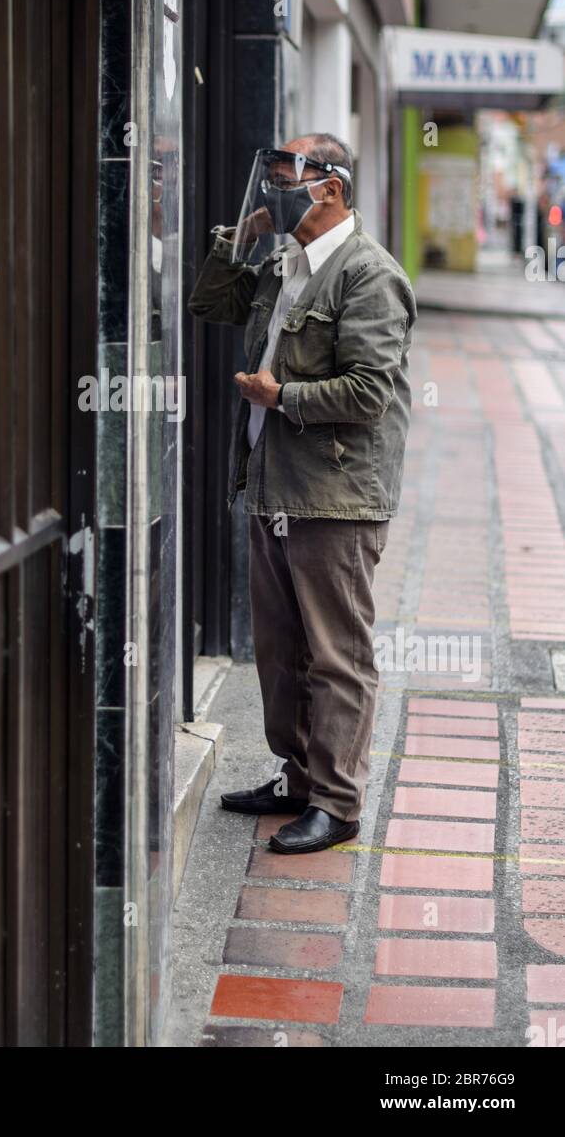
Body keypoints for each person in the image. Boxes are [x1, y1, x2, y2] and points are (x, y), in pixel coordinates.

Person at [188, 134, 417, 853]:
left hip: (334, 498)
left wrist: (280, 395)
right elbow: (208, 305)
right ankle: (297, 778)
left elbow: (369, 391)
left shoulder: (367, 275)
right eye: (276, 169)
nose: (277, 180)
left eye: (291, 170)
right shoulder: (285, 263)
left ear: (332, 188)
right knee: (280, 649)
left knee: (335, 653)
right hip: (272, 486)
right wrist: (240, 234)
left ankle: (339, 803)